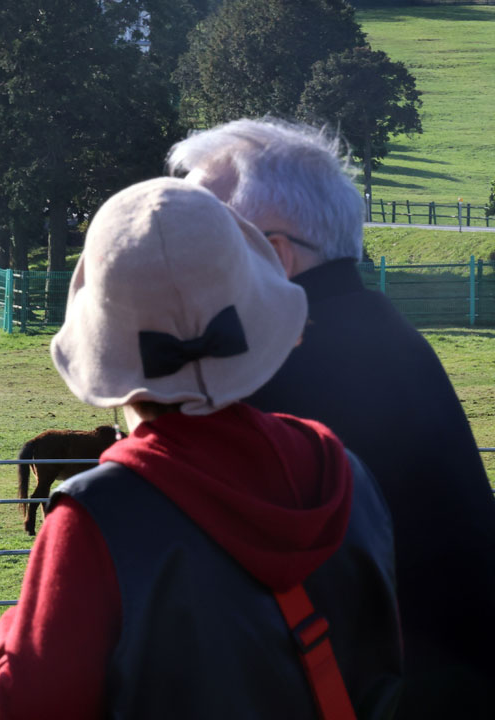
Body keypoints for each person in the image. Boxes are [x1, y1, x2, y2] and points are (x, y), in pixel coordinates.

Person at [0, 177, 402, 719]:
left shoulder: (95, 518)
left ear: (101, 341)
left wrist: (12, 630)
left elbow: (27, 708)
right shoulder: (347, 476)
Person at [168, 118, 495, 715]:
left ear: (275, 255)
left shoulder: (274, 373)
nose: (173, 254)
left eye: (198, 234)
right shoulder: (382, 334)